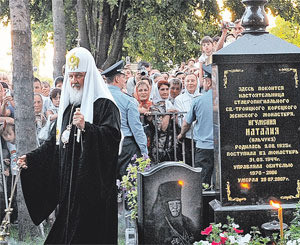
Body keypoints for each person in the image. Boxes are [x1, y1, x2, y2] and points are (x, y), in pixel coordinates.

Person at [18, 47, 121, 244]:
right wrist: (31, 158)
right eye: (71, 76)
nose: (73, 81)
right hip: (70, 193)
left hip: (93, 195)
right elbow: (53, 145)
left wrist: (87, 128)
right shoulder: (68, 108)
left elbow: (111, 139)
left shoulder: (106, 105)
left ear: (88, 76)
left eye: (79, 76)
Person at [104, 60, 148, 179]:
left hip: (104, 144)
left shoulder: (99, 98)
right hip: (125, 146)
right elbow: (136, 128)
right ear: (117, 79)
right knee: (128, 184)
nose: (125, 81)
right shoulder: (128, 100)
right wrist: (144, 150)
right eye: (123, 77)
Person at [178, 65, 214, 185]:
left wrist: (181, 134)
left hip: (204, 147)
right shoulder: (227, 99)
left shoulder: (198, 101)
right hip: (223, 147)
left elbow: (186, 123)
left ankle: (204, 203)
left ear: (208, 82)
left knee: (203, 183)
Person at [175, 73, 200, 166]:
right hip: (188, 136)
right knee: (189, 163)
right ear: (184, 83)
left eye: (192, 81)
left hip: (201, 137)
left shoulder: (202, 97)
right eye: (188, 81)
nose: (190, 83)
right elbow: (182, 120)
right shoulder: (179, 99)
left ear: (197, 82)